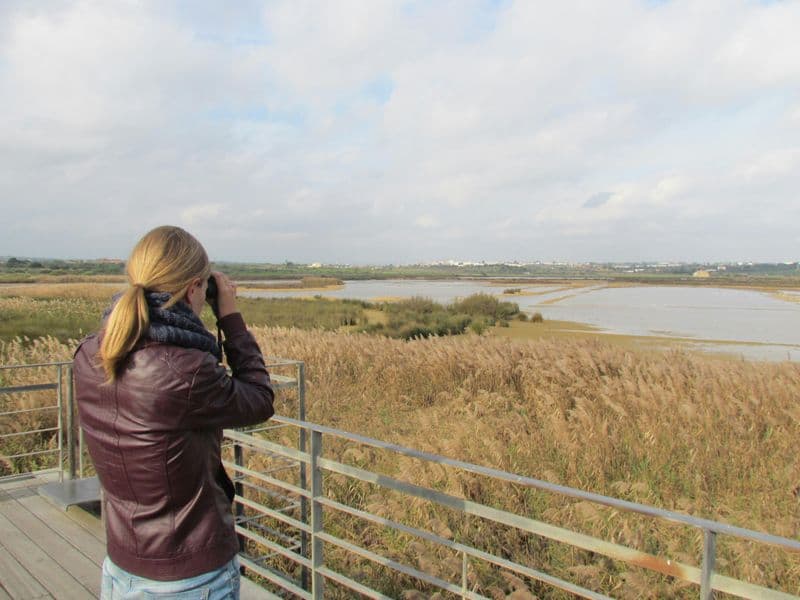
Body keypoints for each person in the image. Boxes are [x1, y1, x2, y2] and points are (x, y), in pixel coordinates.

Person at [73, 225, 274, 599]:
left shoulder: (90, 353)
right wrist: (230, 317)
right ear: (195, 288)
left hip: (123, 564)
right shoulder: (186, 370)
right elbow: (260, 399)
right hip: (187, 575)